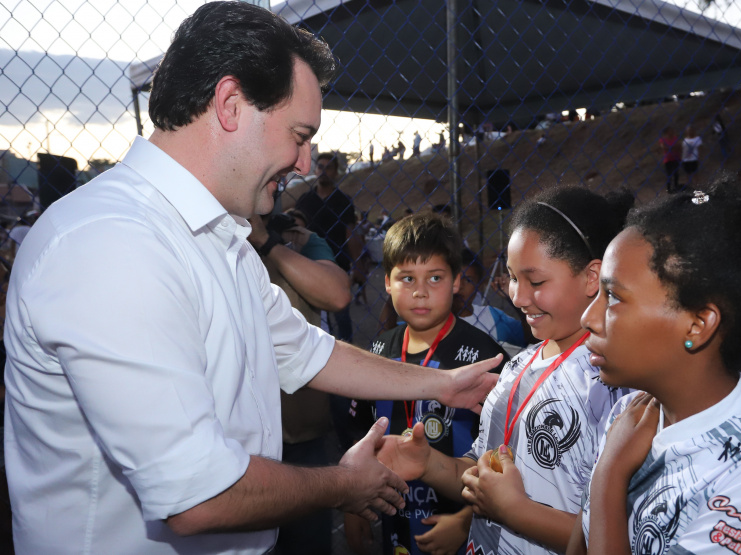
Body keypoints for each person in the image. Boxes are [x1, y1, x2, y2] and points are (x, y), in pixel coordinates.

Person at [3, 4, 500, 554]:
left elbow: (308, 351)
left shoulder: (218, 237)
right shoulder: (112, 244)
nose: (307, 162)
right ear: (232, 104)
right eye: (299, 133)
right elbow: (196, 495)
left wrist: (443, 384)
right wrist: (344, 483)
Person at [571, 168, 741, 554]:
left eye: (613, 298)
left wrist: (609, 479)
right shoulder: (631, 413)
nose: (588, 318)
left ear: (698, 324)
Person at [380, 186, 635, 554]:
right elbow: (476, 474)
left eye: (536, 281)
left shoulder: (613, 386)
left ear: (592, 277)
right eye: (514, 278)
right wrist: (426, 463)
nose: (517, 296)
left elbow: (617, 540)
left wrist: (516, 512)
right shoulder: (517, 366)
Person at [345, 214, 509, 555]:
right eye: (407, 278)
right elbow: (360, 432)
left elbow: (507, 455)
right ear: (387, 283)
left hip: (460, 523)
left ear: (456, 281)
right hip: (395, 518)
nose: (420, 292)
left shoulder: (483, 357)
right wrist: (351, 504)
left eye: (435, 277)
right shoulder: (378, 351)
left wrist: (468, 520)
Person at [249, 212, 350, 555]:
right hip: (239, 438)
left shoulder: (300, 240)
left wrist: (268, 242)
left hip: (299, 433)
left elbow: (337, 295)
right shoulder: (207, 235)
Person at [295, 152, 358, 342]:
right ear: (315, 170)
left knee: (341, 311)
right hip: (310, 263)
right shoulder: (305, 199)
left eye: (328, 167)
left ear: (335, 172)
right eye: (320, 167)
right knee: (316, 314)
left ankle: (347, 346)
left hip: (339, 263)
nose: (323, 171)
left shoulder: (343, 200)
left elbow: (351, 233)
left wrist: (357, 263)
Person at [454, 249, 529, 351]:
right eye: (454, 279)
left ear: (479, 285)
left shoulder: (491, 316)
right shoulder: (434, 319)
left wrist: (514, 300)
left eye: (468, 280)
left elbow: (531, 338)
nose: (459, 286)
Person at [658, 126, 681, 193]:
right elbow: (663, 147)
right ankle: (669, 189)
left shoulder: (675, 138)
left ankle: (676, 187)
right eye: (670, 131)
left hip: (676, 158)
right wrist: (673, 147)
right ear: (666, 132)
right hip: (668, 159)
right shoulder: (662, 140)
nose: (672, 132)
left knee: (676, 173)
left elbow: (678, 146)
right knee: (669, 174)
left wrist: (670, 148)